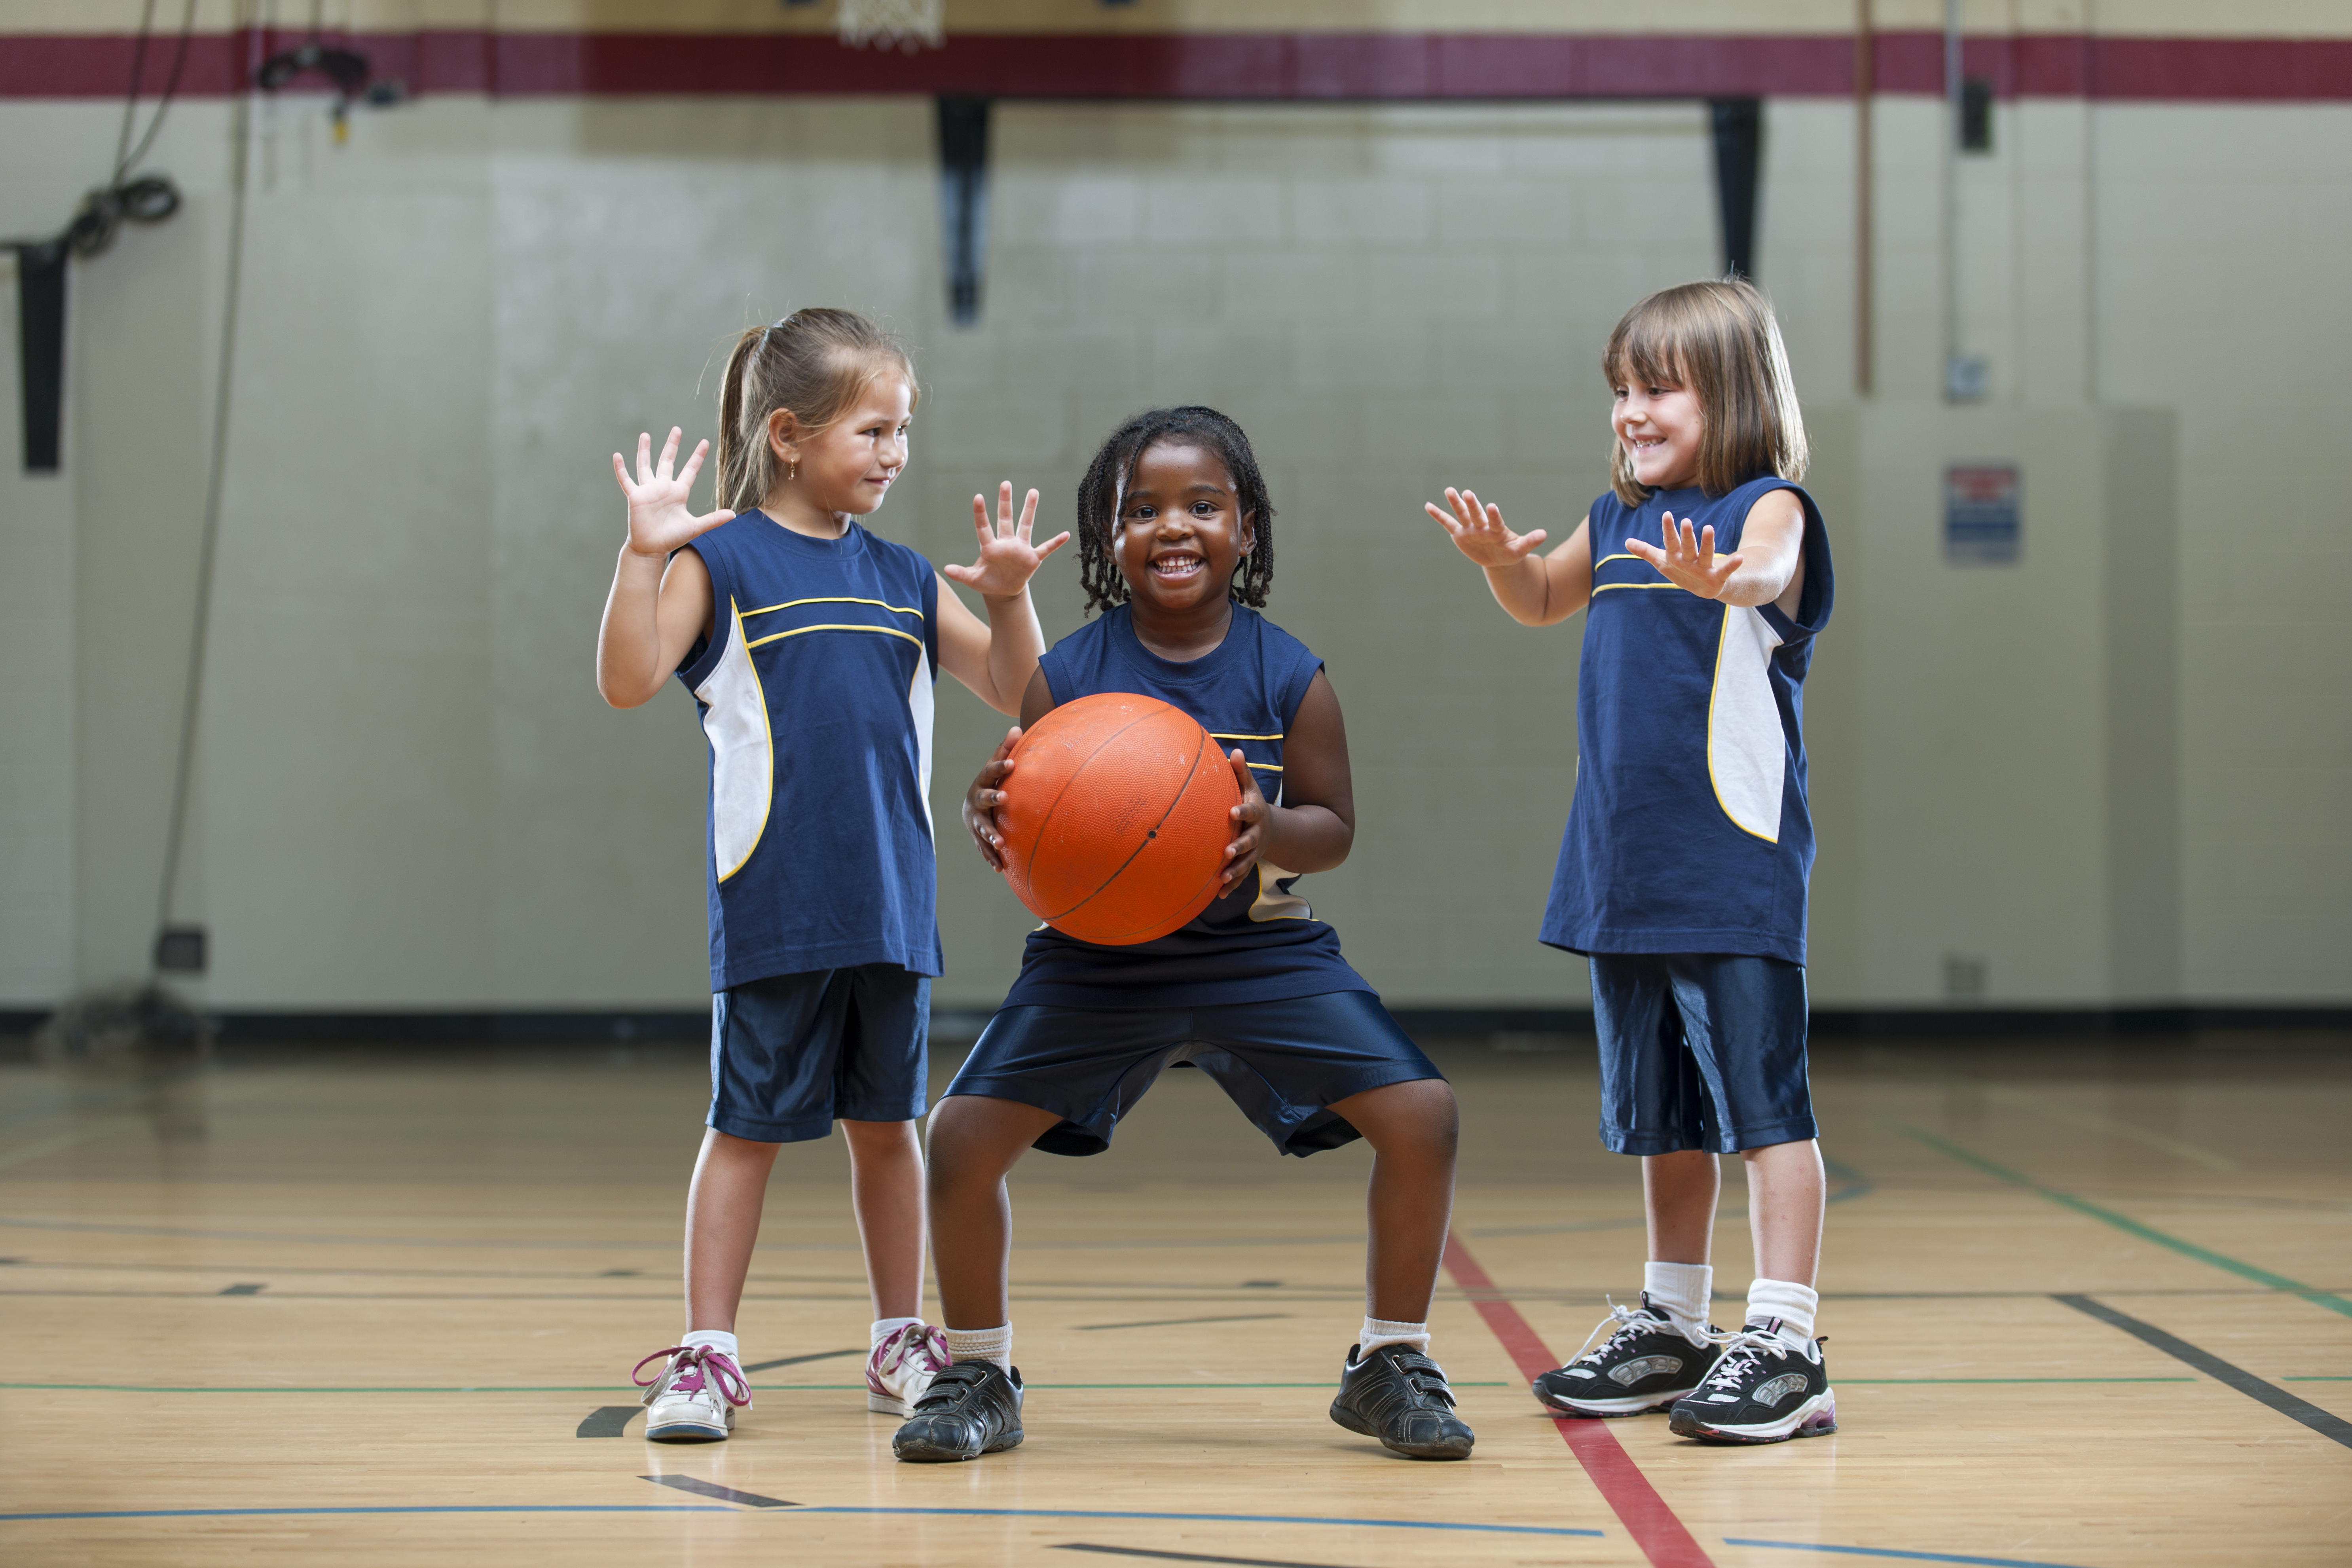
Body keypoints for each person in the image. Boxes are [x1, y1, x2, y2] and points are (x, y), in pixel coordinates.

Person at [893, 406, 1473, 1465]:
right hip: (1097, 961)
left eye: (1202, 505)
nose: (1174, 526)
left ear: (1246, 528)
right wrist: (995, 817)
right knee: (962, 1140)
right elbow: (1023, 815)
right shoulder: (1067, 675)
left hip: (1259, 950)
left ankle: (1391, 1357)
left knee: (1423, 1113)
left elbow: (1335, 828)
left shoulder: (1291, 672)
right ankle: (977, 1367)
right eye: (1144, 509)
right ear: (1109, 538)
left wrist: (1270, 828)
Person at [594, 307, 1067, 1442]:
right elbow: (626, 677)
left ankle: (900, 1335)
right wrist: (640, 551)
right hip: (774, 903)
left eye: (904, 430)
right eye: (874, 429)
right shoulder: (723, 561)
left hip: (893, 906)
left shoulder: (903, 575)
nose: (895, 452)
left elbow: (1024, 694)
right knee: (745, 1128)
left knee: (886, 1127)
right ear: (793, 435)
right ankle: (707, 1354)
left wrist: (1007, 596)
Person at [1426, 279, 1837, 1445]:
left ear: (1735, 394)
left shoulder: (1769, 507)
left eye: (1658, 388)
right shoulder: (1611, 524)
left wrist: (1729, 582)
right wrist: (1501, 560)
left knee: (1765, 1115)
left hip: (1730, 869)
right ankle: (1673, 1317)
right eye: (1620, 390)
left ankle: (1789, 1337)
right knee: (1663, 1118)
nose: (1630, 411)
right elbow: (1540, 601)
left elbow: (1765, 569)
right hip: (1622, 870)